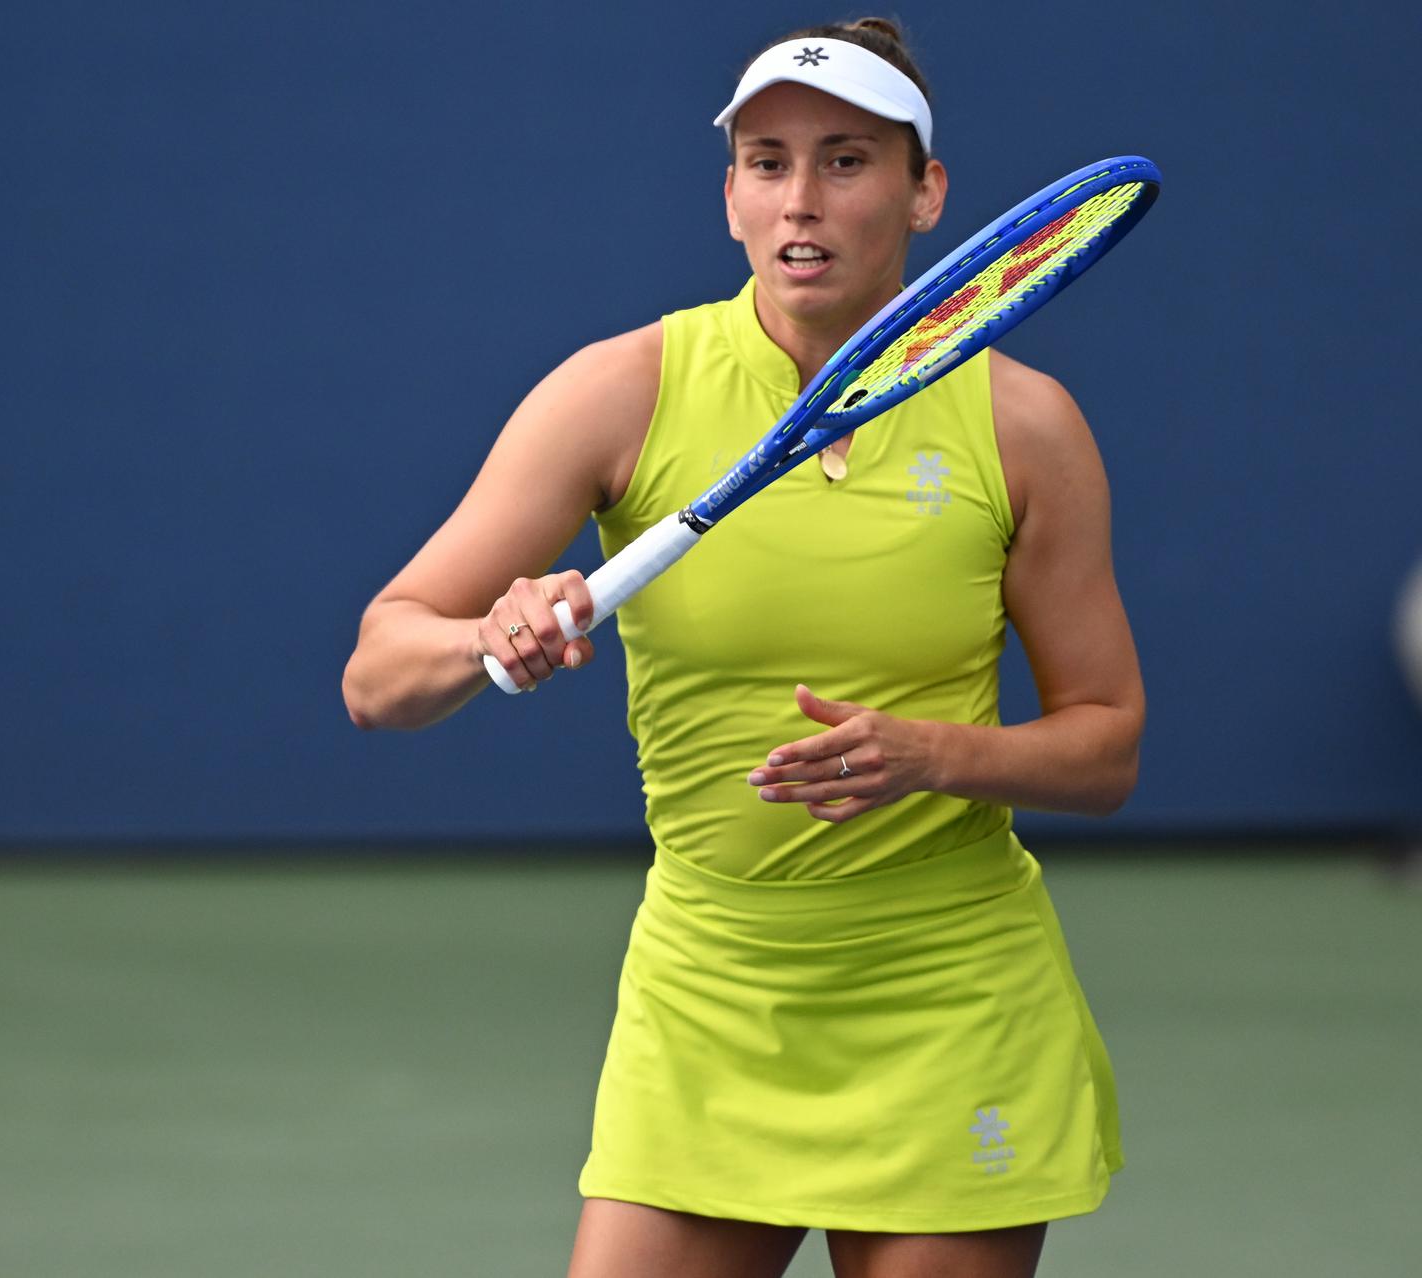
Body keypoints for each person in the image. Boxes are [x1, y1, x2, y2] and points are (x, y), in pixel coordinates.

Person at [342, 18, 1142, 1278]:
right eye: (766, 162)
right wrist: (486, 639)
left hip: (949, 995)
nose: (801, 199)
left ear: (926, 192)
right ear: (728, 197)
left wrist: (930, 754)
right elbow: (379, 676)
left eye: (846, 160)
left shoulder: (1025, 425)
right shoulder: (621, 392)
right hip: (709, 993)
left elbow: (1105, 747)